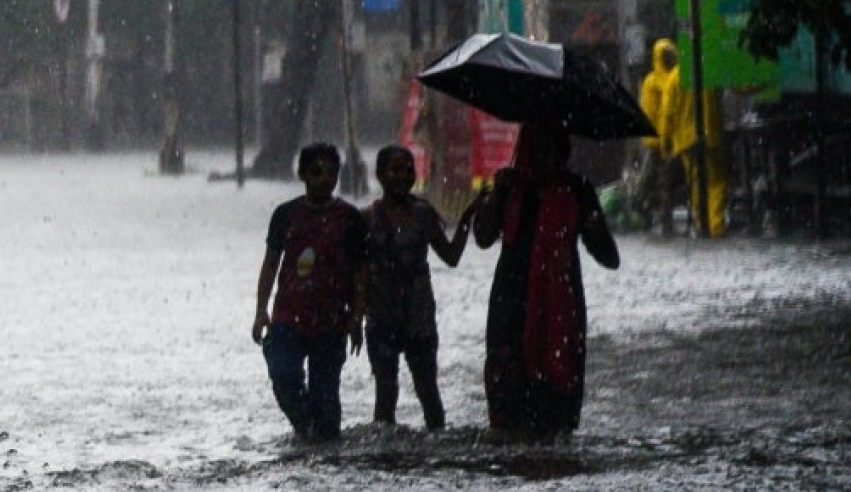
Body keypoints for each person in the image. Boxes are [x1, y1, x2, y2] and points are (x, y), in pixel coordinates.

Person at [473, 122, 620, 439]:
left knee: (555, 399)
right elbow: (483, 237)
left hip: (558, 307)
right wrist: (496, 195)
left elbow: (610, 258)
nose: (546, 157)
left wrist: (594, 228)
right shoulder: (510, 187)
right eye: (538, 149)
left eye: (553, 149)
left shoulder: (577, 190)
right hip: (511, 303)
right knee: (509, 396)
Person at [251, 143, 369, 443]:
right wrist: (260, 310)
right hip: (288, 317)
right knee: (284, 376)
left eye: (331, 173)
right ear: (302, 174)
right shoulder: (286, 215)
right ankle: (305, 431)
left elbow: (360, 273)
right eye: (316, 172)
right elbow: (270, 266)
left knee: (326, 399)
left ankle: (324, 447)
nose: (324, 180)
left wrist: (357, 317)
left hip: (331, 322)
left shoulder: (349, 219)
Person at [363, 145, 480, 431]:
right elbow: (358, 270)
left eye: (408, 169)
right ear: (379, 176)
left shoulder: (424, 215)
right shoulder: (367, 219)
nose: (402, 176)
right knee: (385, 395)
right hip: (381, 317)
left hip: (420, 318)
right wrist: (355, 314)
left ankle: (433, 448)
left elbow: (450, 256)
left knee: (428, 392)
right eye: (394, 170)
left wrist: (466, 220)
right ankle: (386, 458)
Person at [664, 71, 727, 237]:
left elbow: (667, 114)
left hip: (686, 141)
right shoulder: (708, 71)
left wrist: (665, 143)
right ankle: (716, 224)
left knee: (696, 184)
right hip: (711, 135)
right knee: (716, 182)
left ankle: (703, 222)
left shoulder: (674, 78)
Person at [638, 38, 681, 236]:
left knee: (662, 181)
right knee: (661, 181)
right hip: (661, 141)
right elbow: (656, 112)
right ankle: (660, 219)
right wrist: (661, 140)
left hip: (667, 139)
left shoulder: (665, 79)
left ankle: (657, 216)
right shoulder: (655, 82)